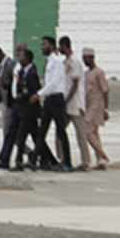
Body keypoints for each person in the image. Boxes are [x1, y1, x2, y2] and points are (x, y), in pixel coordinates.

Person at [34, 35, 72, 170]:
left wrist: (39, 94)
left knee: (60, 130)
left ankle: (67, 162)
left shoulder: (56, 62)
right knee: (41, 131)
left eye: (44, 44)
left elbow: (54, 82)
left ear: (51, 46)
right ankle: (34, 160)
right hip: (49, 99)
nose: (42, 47)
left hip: (56, 98)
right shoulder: (49, 61)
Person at [59, 35, 90, 170]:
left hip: (75, 104)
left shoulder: (75, 62)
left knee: (81, 134)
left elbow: (75, 85)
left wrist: (66, 101)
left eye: (60, 47)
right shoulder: (64, 62)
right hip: (66, 104)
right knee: (60, 132)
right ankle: (62, 159)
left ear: (64, 46)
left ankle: (86, 161)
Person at [83, 48, 111, 169]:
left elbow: (105, 91)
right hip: (88, 105)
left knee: (87, 131)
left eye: (87, 58)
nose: (85, 61)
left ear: (92, 58)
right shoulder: (86, 74)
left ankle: (103, 155)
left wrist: (106, 109)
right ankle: (100, 160)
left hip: (97, 105)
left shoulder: (99, 72)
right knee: (94, 132)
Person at [0, 44, 16, 151]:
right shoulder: (2, 65)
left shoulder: (10, 64)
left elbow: (14, 83)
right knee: (8, 130)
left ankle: (7, 154)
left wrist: (3, 84)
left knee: (9, 130)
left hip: (10, 101)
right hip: (5, 101)